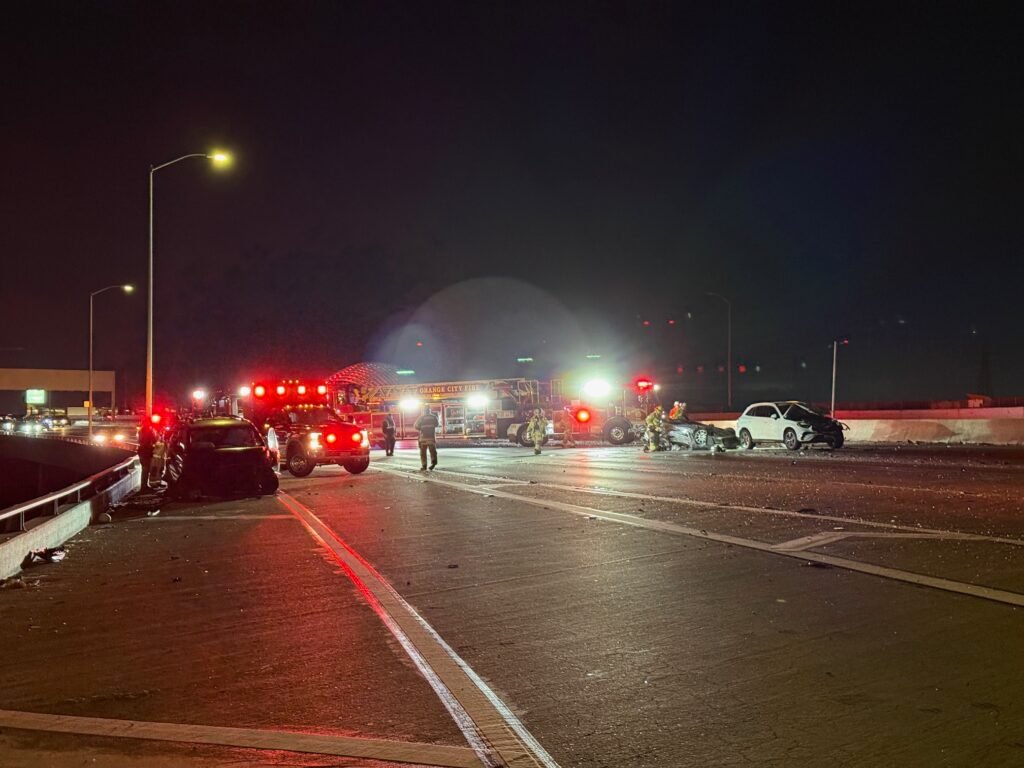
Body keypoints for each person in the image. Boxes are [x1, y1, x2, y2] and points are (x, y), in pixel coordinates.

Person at [413, 406, 439, 470]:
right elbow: (437, 424)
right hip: (431, 438)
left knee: (423, 452)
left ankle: (424, 465)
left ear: (424, 411)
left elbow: (415, 426)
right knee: (433, 452)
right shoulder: (434, 417)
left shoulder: (421, 418)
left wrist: (421, 428)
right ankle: (433, 463)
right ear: (430, 410)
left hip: (423, 438)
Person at [138, 421, 157, 489]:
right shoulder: (150, 431)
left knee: (145, 469)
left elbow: (139, 441)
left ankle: (144, 485)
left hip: (142, 451)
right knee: (146, 469)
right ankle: (144, 486)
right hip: (147, 451)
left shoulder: (141, 430)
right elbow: (154, 440)